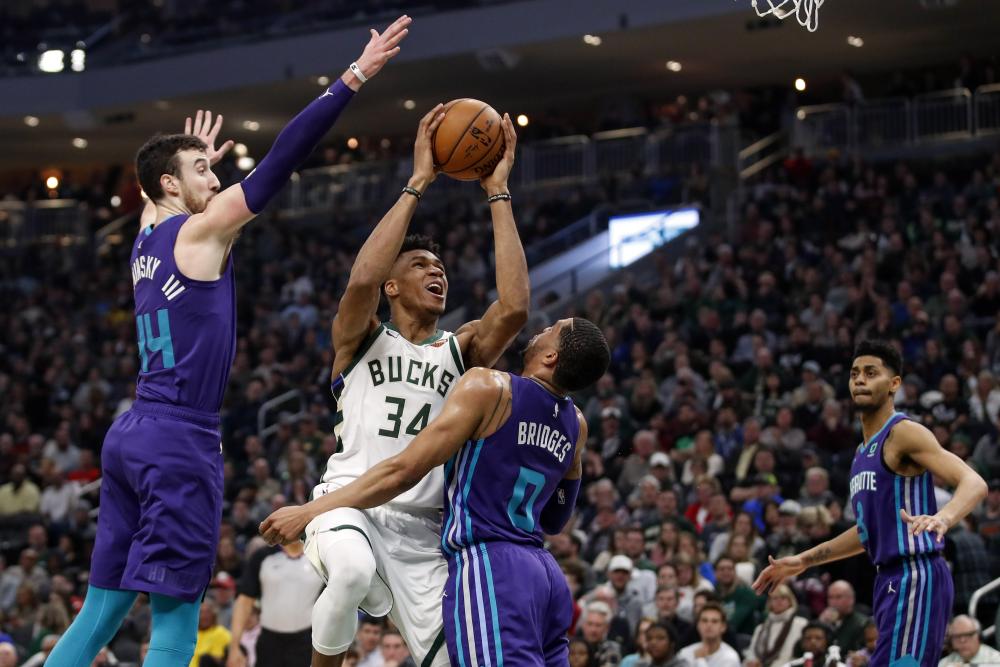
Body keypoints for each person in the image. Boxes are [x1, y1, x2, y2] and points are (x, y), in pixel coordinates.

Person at [46, 16, 410, 667]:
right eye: (202, 172)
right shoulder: (202, 231)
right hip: (180, 440)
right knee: (176, 623)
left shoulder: (147, 235)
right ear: (168, 186)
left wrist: (189, 159)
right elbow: (279, 163)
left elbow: (155, 188)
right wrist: (353, 77)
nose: (215, 179)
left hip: (131, 433)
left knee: (100, 609)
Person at [259, 87, 526, 666]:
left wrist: (497, 190)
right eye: (421, 265)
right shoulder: (362, 338)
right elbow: (358, 284)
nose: (437, 272)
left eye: (442, 267)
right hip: (346, 502)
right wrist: (419, 181)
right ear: (393, 285)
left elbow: (515, 308)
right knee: (351, 572)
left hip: (421, 528)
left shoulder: (462, 350)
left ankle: (382, 590)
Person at [262, 318, 610, 665]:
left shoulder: (492, 386)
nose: (543, 327)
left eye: (553, 328)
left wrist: (309, 510)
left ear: (550, 357)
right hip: (546, 576)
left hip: (491, 565)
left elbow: (401, 472)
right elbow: (556, 518)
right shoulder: (576, 424)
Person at [753, 341, 988, 667]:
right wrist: (803, 560)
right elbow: (867, 533)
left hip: (915, 574)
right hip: (888, 580)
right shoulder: (861, 454)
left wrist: (944, 518)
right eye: (854, 374)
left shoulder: (903, 433)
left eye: (870, 372)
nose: (859, 380)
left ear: (894, 384)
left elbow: (974, 483)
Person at [227, 540, 323, 667]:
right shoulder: (262, 556)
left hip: (306, 641)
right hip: (268, 641)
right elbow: (244, 601)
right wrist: (234, 647)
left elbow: (334, 607)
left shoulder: (320, 558)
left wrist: (338, 653)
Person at [676, 602, 740, 667]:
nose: (709, 625)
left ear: (723, 627)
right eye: (704, 620)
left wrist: (700, 660)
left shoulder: (730, 657)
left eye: (714, 621)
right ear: (698, 625)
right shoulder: (685, 654)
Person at [781, 622, 847, 667]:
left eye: (818, 638)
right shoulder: (790, 665)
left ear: (827, 641)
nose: (813, 642)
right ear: (802, 642)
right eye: (808, 638)